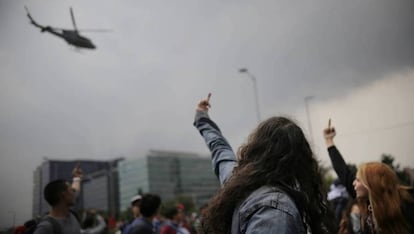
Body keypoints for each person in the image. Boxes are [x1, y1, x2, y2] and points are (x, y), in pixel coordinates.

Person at [193, 93, 335, 233]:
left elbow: (220, 150)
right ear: (301, 162)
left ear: (255, 150)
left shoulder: (237, 184)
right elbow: (221, 151)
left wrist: (202, 117)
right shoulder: (275, 210)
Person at [324, 122, 414, 234]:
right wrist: (329, 141)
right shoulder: (367, 202)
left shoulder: (407, 203)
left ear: (372, 183)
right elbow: (343, 172)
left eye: (358, 180)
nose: (353, 183)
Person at [34, 164, 83, 234]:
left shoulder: (70, 214)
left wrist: (77, 178)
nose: (74, 192)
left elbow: (76, 191)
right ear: (63, 194)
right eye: (71, 190)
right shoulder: (46, 226)